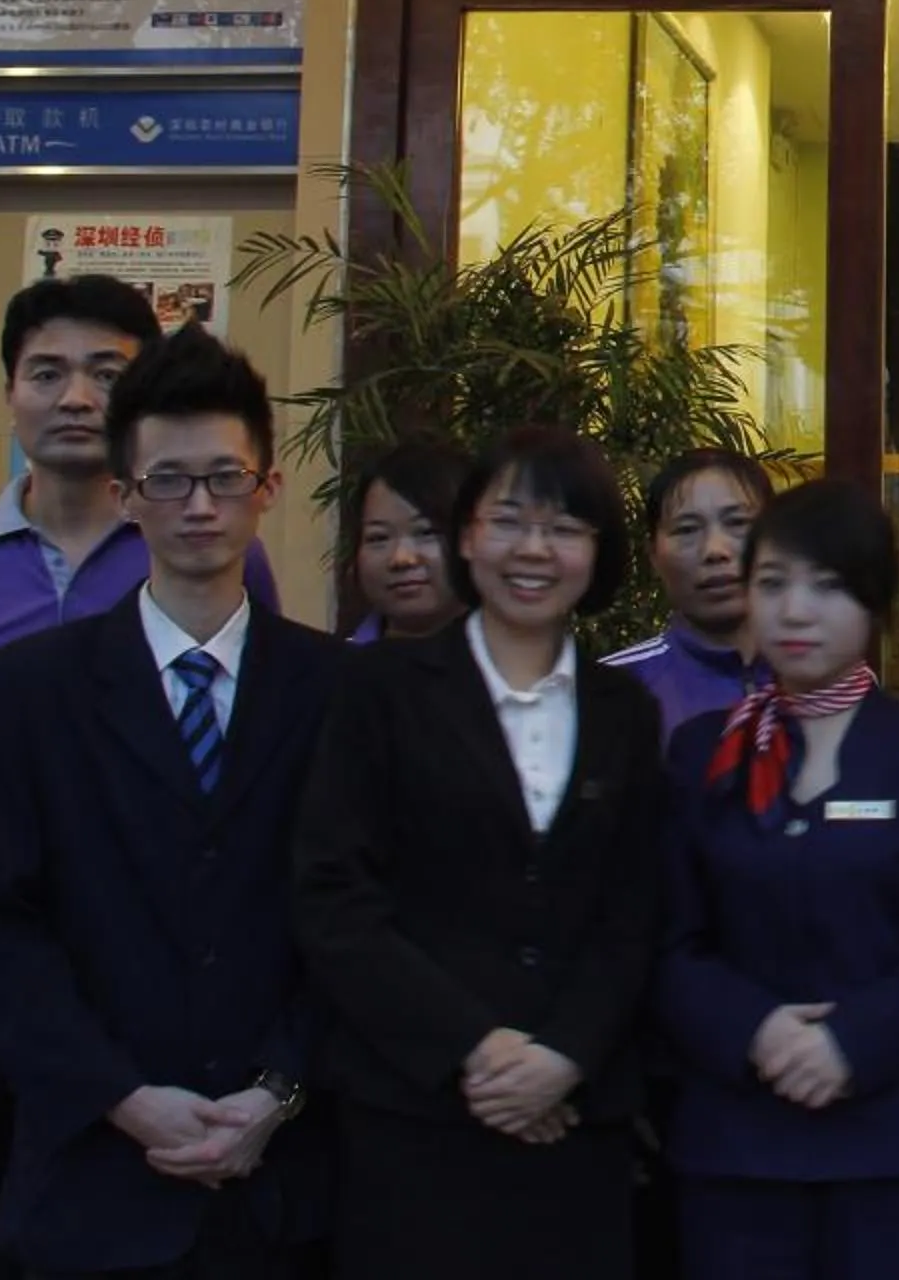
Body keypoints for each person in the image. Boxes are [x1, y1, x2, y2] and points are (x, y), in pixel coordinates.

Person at [0, 279, 282, 1280]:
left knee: (131, 1213)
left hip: (145, 952)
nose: (74, 396)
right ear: (8, 391)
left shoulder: (201, 551)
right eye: (46, 371)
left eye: (107, 372)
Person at [0, 328, 339, 1280]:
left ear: (268, 487)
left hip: (291, 1187)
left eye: (225, 477)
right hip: (95, 1176)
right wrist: (122, 1096)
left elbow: (357, 917)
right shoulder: (31, 691)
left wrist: (276, 1093)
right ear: (125, 497)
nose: (199, 506)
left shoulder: (344, 691)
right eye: (168, 480)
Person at [294, 425, 669, 1280]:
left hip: (577, 1123)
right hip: (416, 1116)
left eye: (565, 527)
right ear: (467, 535)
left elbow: (634, 909)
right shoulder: (378, 695)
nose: (534, 549)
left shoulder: (625, 712)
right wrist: (481, 1049)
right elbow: (335, 897)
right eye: (509, 521)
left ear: (597, 551)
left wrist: (562, 1056)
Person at [659, 478, 899, 1280]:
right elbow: (667, 935)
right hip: (736, 1149)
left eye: (827, 587)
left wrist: (851, 1042)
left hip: (897, 1148)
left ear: (872, 603)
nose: (795, 611)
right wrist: (756, 1030)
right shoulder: (703, 751)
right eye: (773, 585)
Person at [607, 449, 775, 736]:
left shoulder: (831, 679)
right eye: (687, 530)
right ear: (654, 556)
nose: (715, 551)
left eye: (737, 523)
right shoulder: (610, 692)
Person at [343, 439, 477, 643]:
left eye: (426, 532)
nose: (401, 558)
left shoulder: (518, 668)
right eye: (378, 537)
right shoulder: (333, 669)